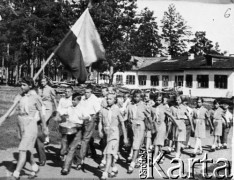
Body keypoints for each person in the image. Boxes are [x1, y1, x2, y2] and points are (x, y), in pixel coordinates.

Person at [10, 77, 47, 180]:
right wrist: (5, 117)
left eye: (24, 85)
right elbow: (14, 110)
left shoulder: (36, 97)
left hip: (30, 125)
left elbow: (42, 113)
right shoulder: (20, 96)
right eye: (21, 85)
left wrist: (44, 127)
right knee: (26, 149)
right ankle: (34, 167)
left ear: (30, 86)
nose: (21, 87)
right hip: (20, 124)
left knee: (22, 150)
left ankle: (16, 173)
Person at [99, 93, 128, 180]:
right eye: (107, 99)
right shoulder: (103, 110)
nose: (108, 100)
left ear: (114, 100)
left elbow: (122, 123)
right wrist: (100, 131)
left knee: (108, 154)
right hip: (106, 134)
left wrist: (125, 137)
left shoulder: (117, 110)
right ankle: (114, 168)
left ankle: (105, 173)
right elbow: (100, 122)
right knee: (110, 153)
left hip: (114, 134)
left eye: (110, 99)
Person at [61, 93, 91, 175]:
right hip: (69, 128)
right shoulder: (69, 108)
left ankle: (66, 168)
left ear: (78, 101)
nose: (73, 101)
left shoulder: (82, 108)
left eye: (74, 100)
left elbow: (88, 116)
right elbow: (65, 114)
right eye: (72, 100)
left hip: (77, 129)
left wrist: (83, 118)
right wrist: (65, 116)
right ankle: (77, 162)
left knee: (71, 149)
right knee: (69, 147)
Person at [74, 84, 100, 171]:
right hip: (82, 119)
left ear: (91, 92)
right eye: (85, 92)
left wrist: (93, 119)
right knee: (80, 138)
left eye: (88, 92)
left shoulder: (95, 99)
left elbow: (97, 112)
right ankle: (91, 152)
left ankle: (80, 160)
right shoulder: (82, 98)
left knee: (85, 139)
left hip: (90, 120)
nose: (86, 94)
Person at [125, 90, 151, 174]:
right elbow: (127, 116)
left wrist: (150, 125)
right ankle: (135, 159)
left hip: (140, 125)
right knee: (134, 143)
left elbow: (148, 116)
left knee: (136, 143)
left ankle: (132, 164)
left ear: (141, 97)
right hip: (131, 125)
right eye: (135, 96)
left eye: (138, 97)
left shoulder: (143, 105)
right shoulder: (130, 105)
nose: (136, 98)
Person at [153, 96, 178, 164]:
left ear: (162, 101)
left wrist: (176, 124)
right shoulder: (153, 107)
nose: (158, 101)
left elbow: (170, 116)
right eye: (157, 100)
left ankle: (154, 158)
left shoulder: (164, 107)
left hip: (162, 126)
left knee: (158, 143)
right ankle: (161, 156)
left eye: (159, 100)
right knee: (158, 143)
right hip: (155, 126)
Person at [38, 77, 57, 145]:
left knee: (42, 122)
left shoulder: (50, 89)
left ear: (46, 82)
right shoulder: (39, 88)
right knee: (45, 124)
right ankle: (46, 139)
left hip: (48, 107)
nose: (42, 83)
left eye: (44, 81)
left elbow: (54, 99)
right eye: (41, 81)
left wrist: (56, 109)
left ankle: (45, 138)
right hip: (41, 107)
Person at [56, 86, 73, 159]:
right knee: (64, 136)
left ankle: (69, 151)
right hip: (63, 118)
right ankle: (62, 152)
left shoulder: (73, 100)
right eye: (66, 91)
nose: (67, 93)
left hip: (70, 118)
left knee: (71, 136)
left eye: (69, 91)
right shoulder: (62, 99)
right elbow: (59, 109)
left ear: (72, 92)